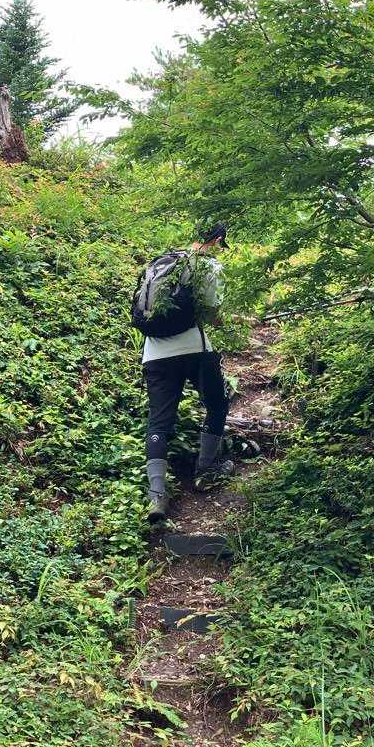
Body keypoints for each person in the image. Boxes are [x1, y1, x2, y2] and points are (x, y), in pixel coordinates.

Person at [141, 219, 234, 524]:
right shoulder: (208, 266)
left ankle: (156, 494)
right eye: (222, 244)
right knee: (217, 404)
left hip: (154, 354)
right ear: (217, 240)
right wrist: (234, 321)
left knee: (159, 421)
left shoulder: (163, 263)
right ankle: (206, 471)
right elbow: (212, 311)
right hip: (195, 349)